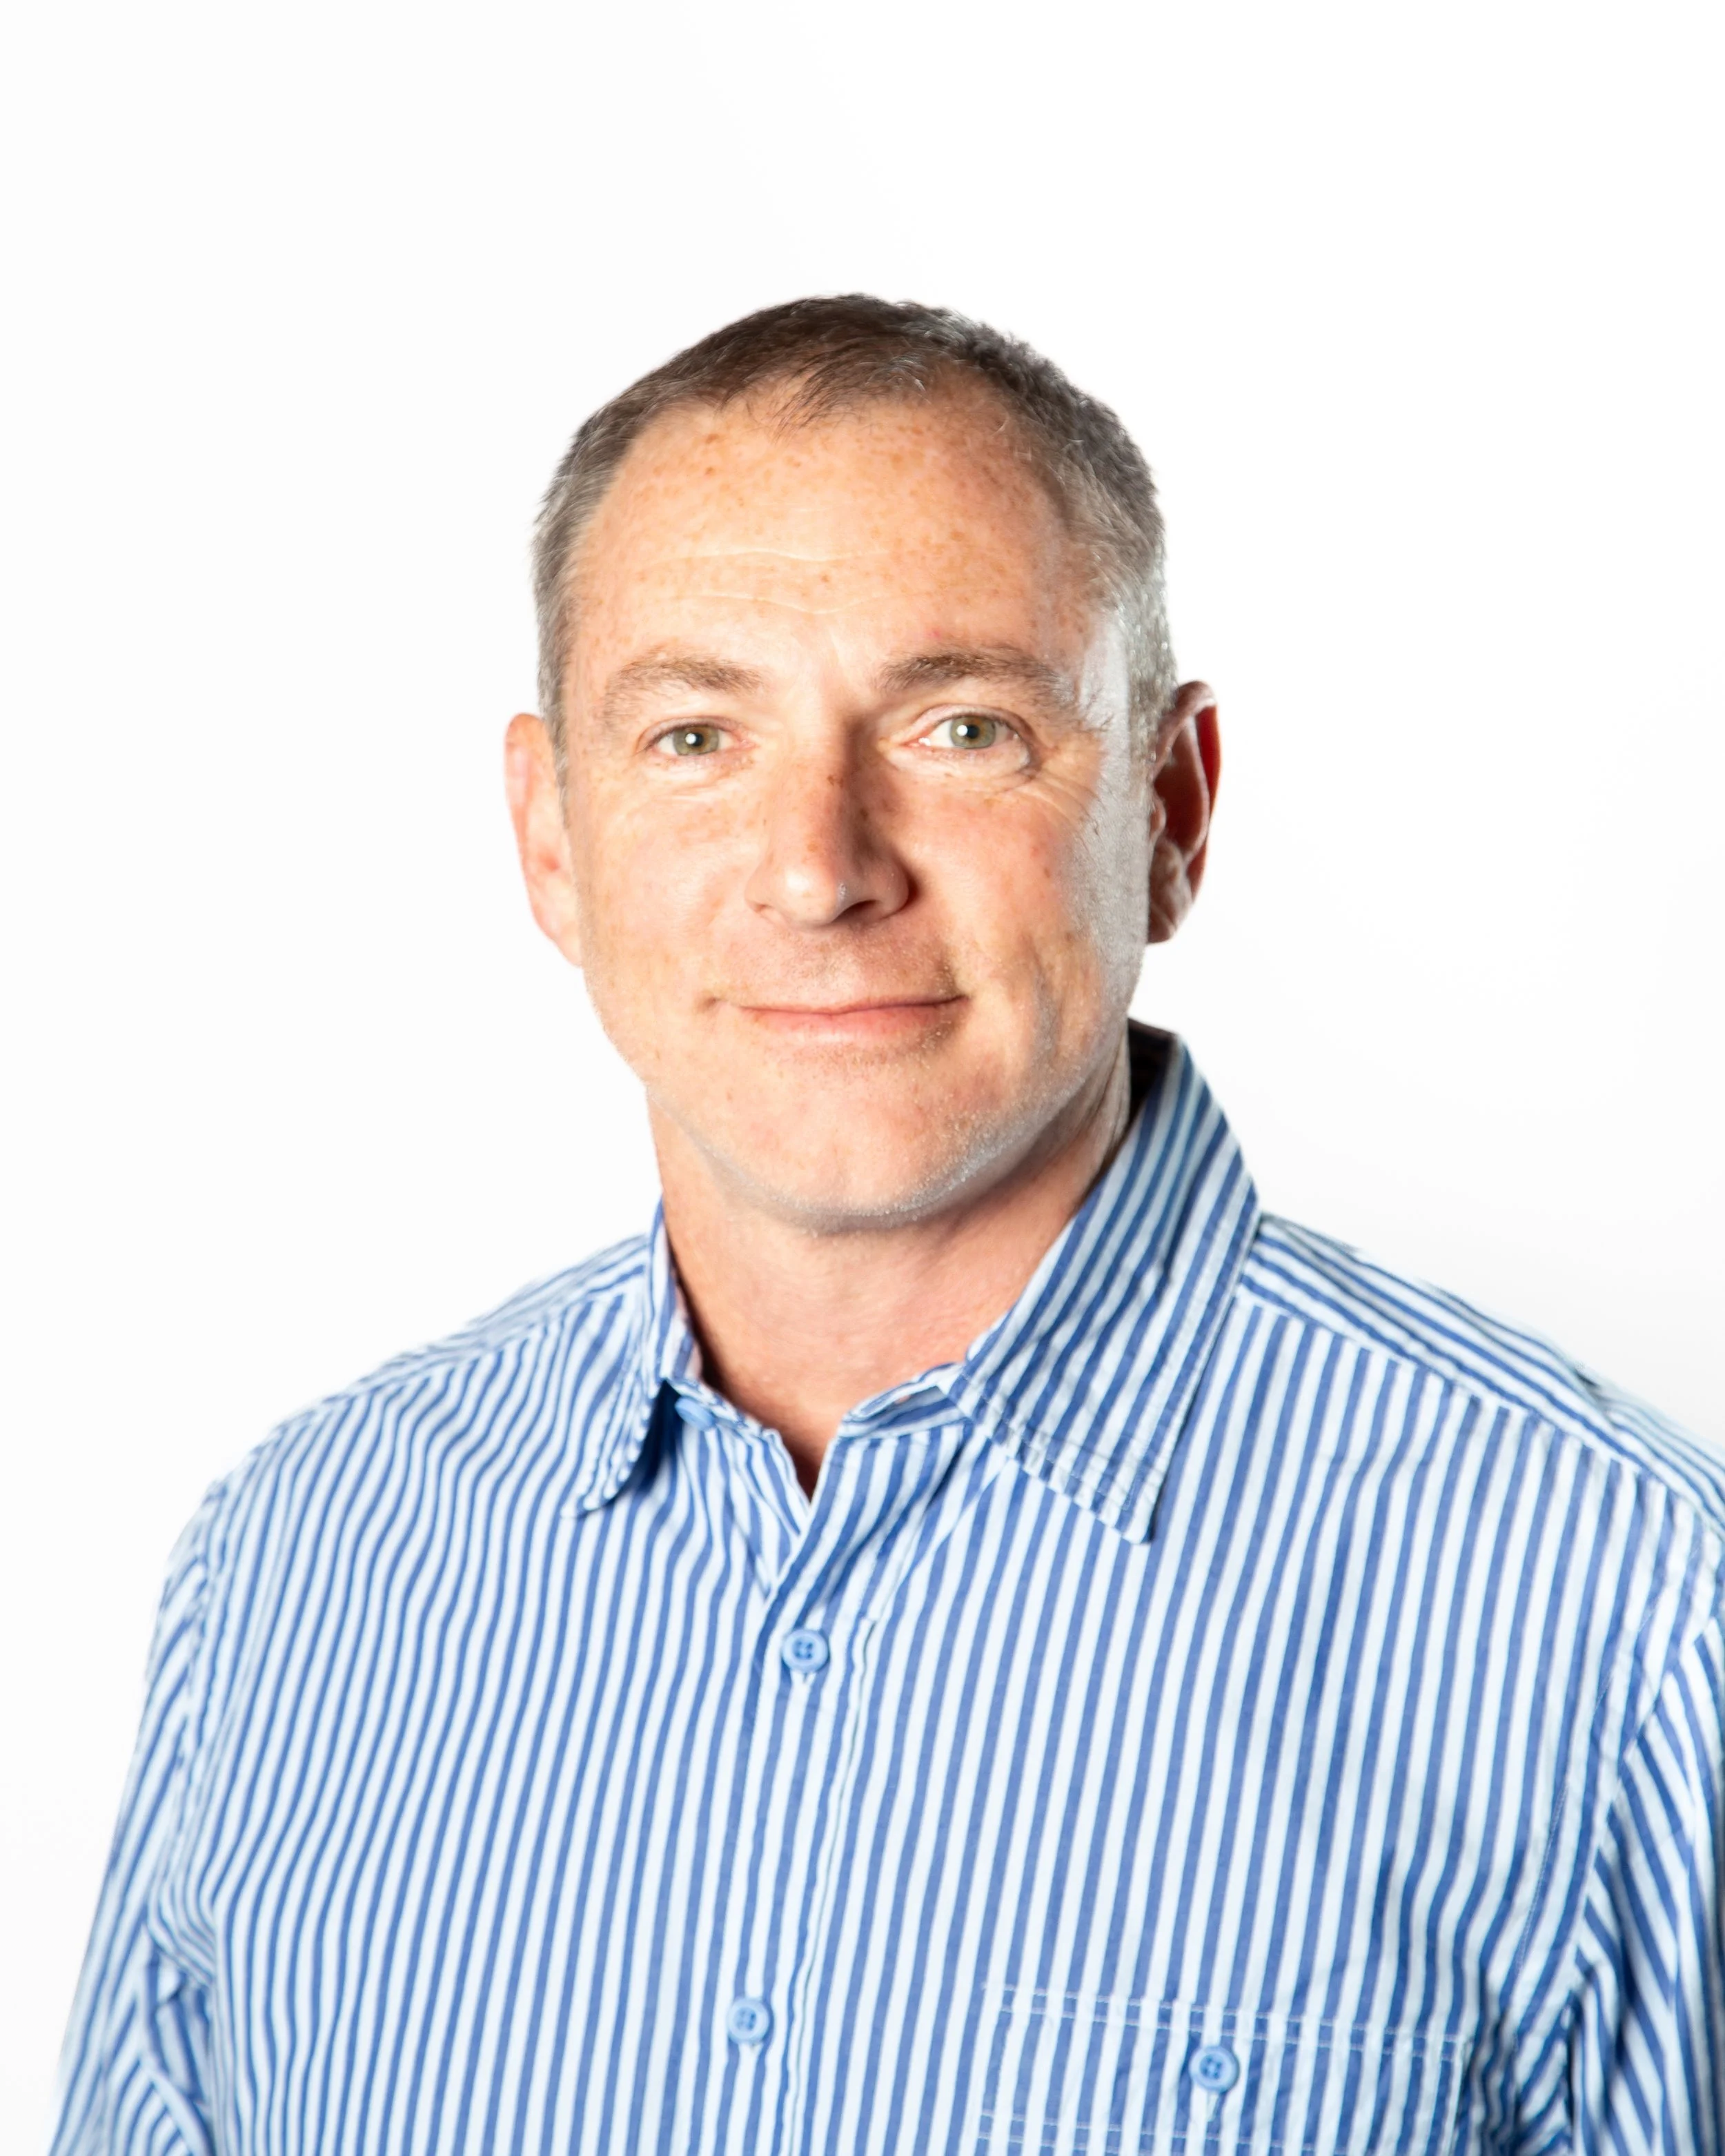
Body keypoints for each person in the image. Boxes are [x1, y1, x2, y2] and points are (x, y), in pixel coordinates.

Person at [52, 295, 1724, 2156]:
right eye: (695, 735)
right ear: (550, 838)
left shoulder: (1632, 1612)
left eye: (963, 726)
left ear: (1172, 810)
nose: (821, 867)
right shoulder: (294, 1569)